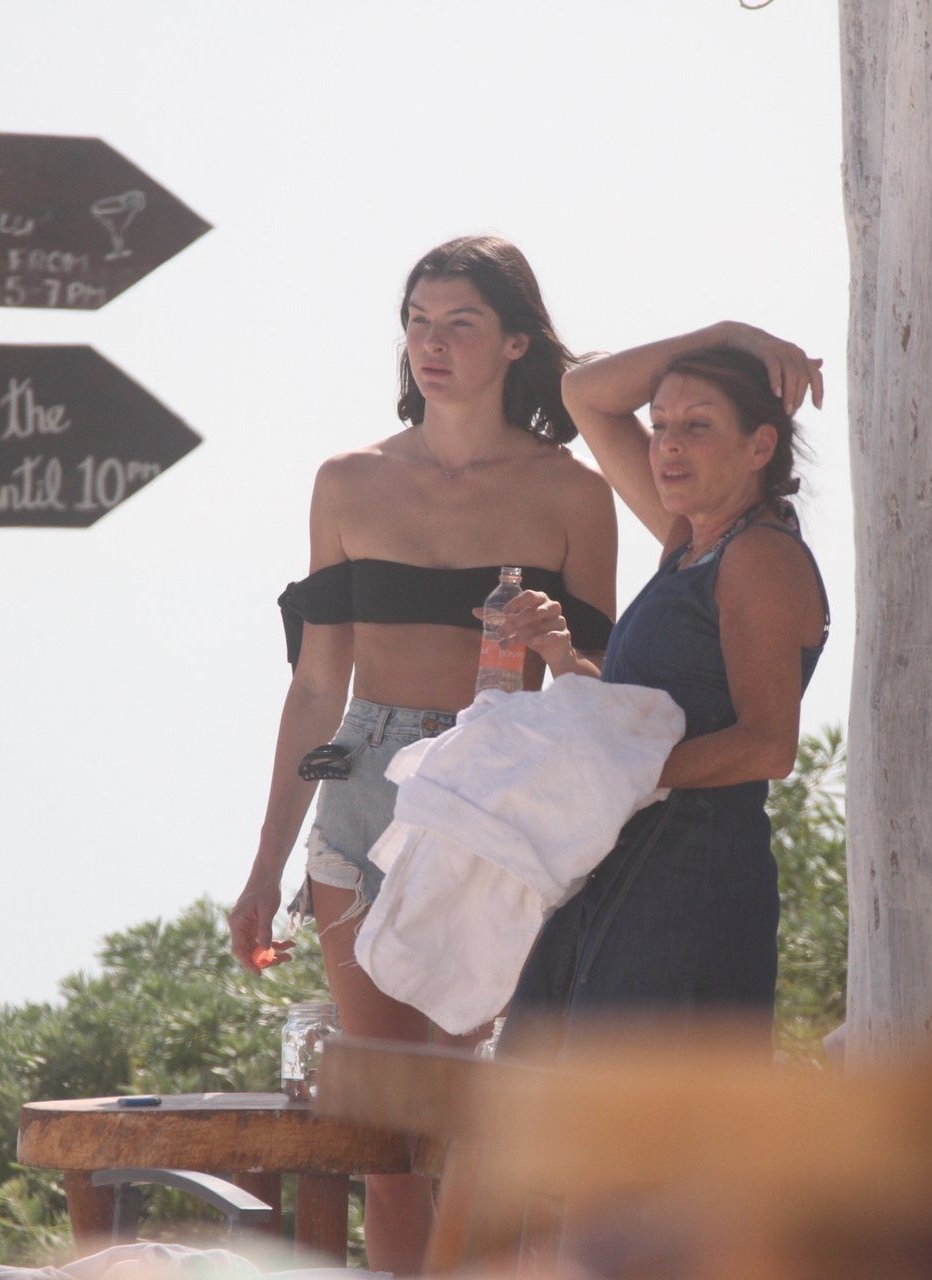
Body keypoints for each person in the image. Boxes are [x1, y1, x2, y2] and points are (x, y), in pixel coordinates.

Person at [225, 235, 616, 1274]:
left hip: (494, 790)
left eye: (460, 325)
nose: (431, 345)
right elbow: (318, 685)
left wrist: (557, 647)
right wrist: (264, 866)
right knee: (387, 1134)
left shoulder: (571, 493)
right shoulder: (348, 481)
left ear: (517, 342)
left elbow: (600, 692)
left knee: (480, 1115)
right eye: (417, 322)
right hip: (362, 778)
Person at [494, 321, 829, 1056]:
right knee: (534, 1102)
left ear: (760, 447)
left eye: (697, 426)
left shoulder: (760, 556)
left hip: (693, 876)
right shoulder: (689, 540)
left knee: (625, 1121)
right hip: (622, 859)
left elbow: (768, 745)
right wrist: (562, 657)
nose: (668, 445)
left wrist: (618, 773)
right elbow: (585, 392)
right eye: (661, 425)